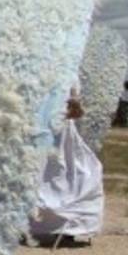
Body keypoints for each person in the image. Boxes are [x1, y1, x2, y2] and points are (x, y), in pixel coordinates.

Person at [29, 90, 104, 245]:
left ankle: (68, 227)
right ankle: (51, 226)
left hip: (62, 134)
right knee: (49, 176)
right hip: (46, 131)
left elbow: (77, 110)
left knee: (76, 174)